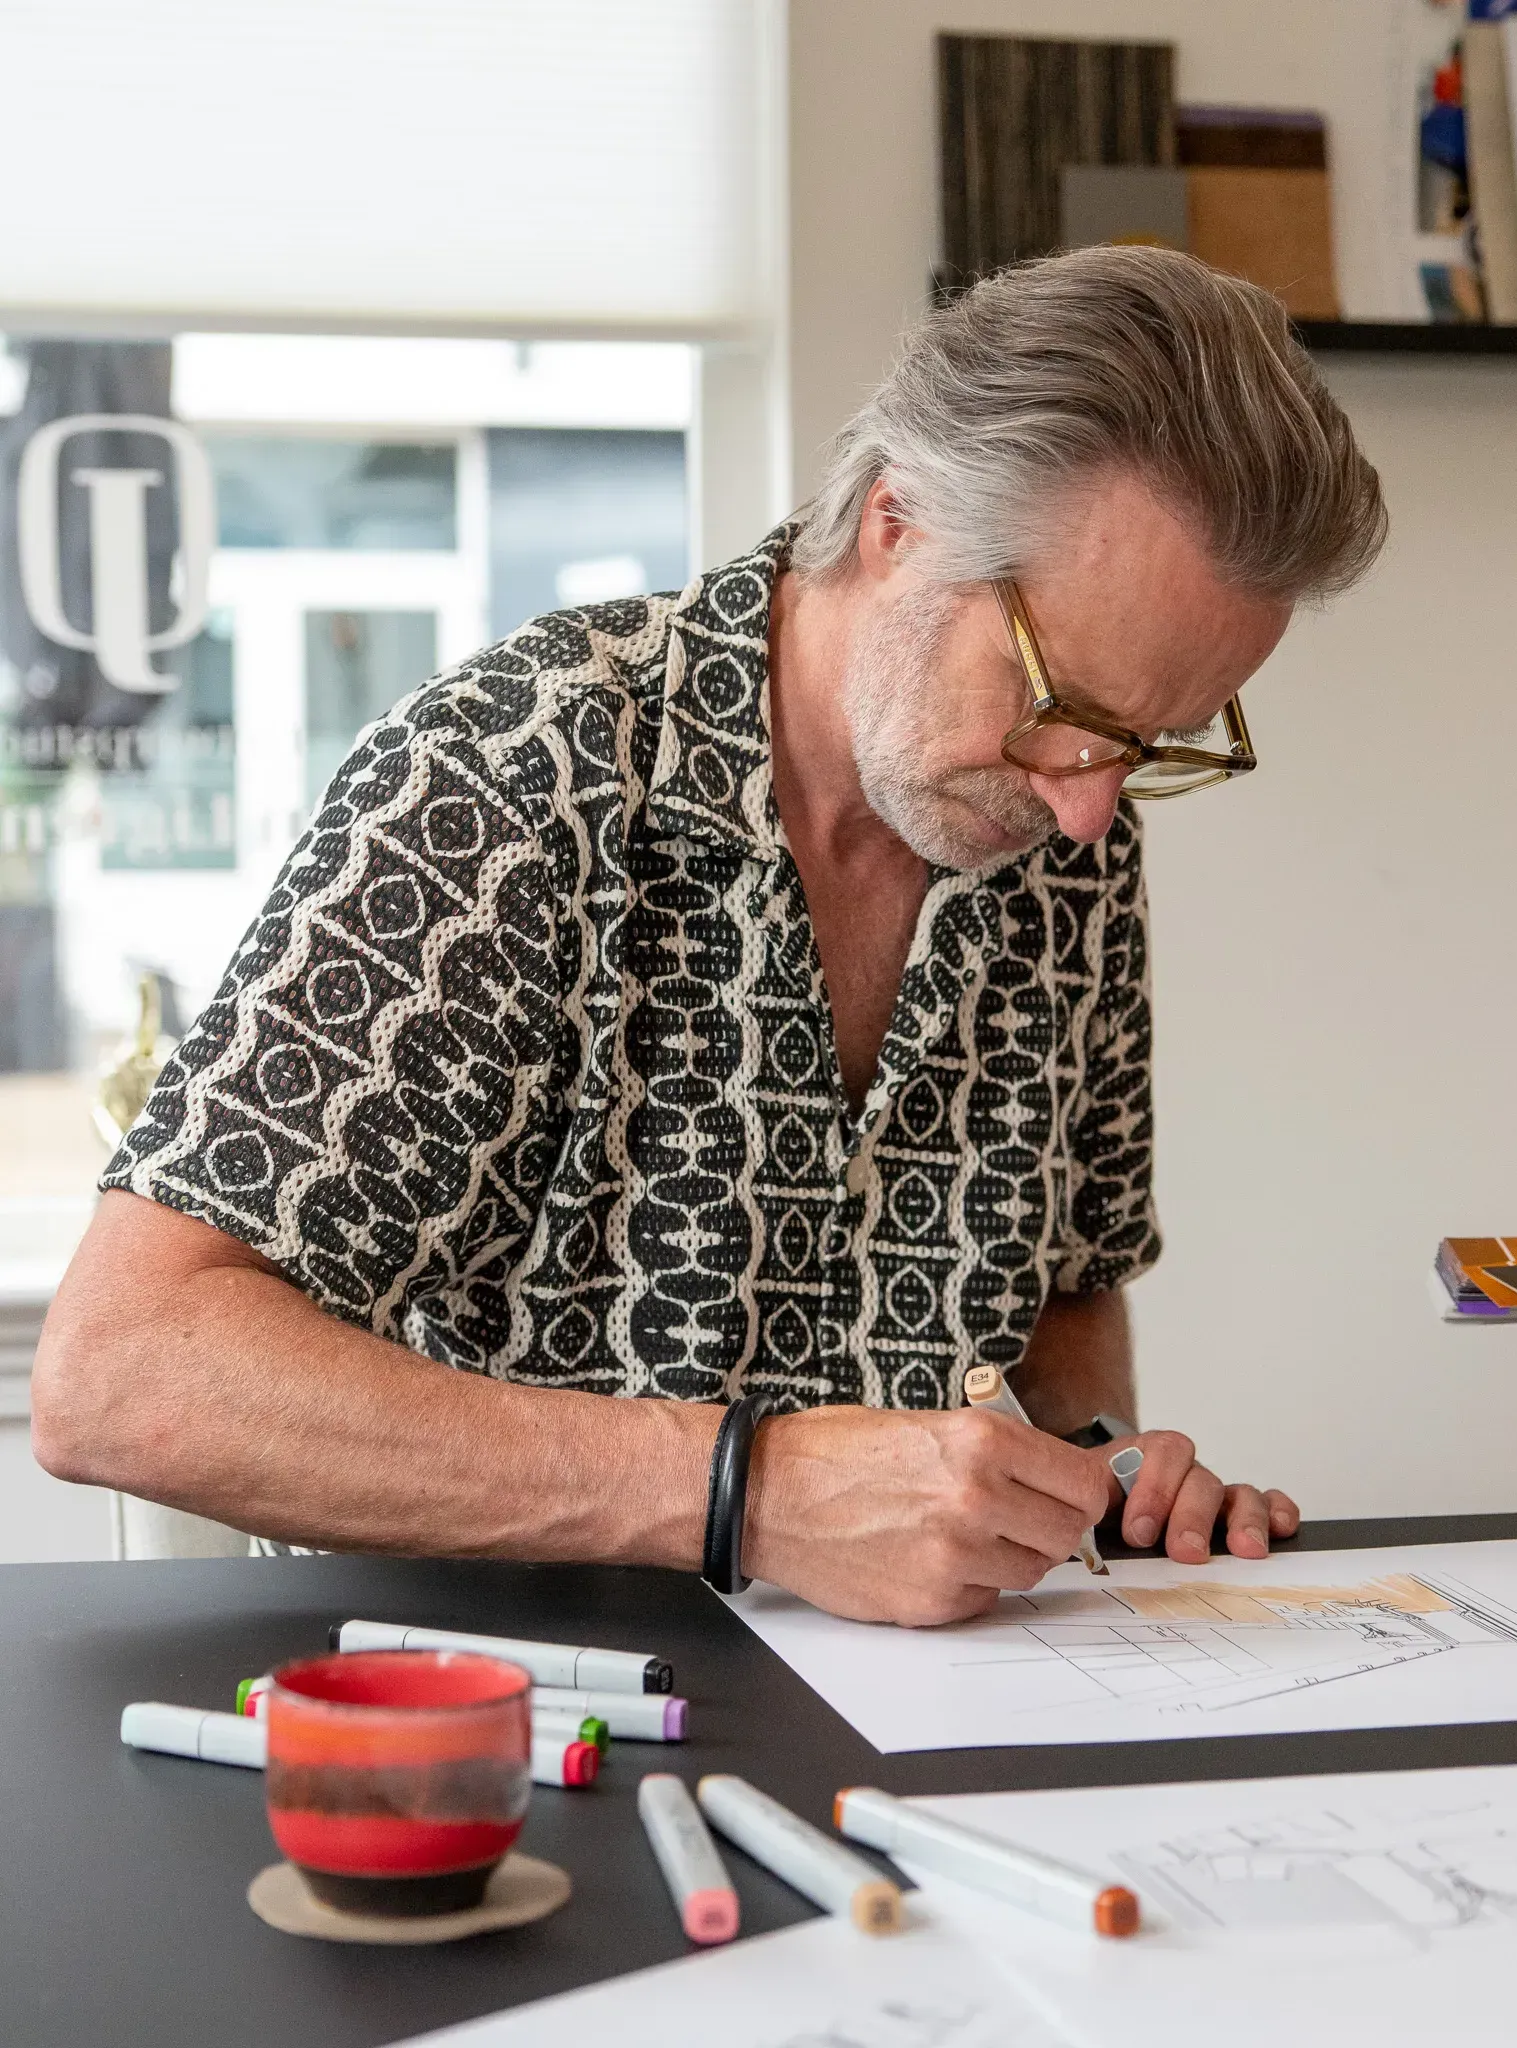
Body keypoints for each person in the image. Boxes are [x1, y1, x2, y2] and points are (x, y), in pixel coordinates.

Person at [32, 248, 1386, 1626]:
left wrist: (1100, 1477)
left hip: (927, 1703)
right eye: (1063, 708)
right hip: (501, 1702)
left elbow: (1063, 1293)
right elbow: (122, 1373)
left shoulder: (1061, 834)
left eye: (1148, 742)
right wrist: (749, 1490)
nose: (1089, 807)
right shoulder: (522, 772)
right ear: (897, 520)